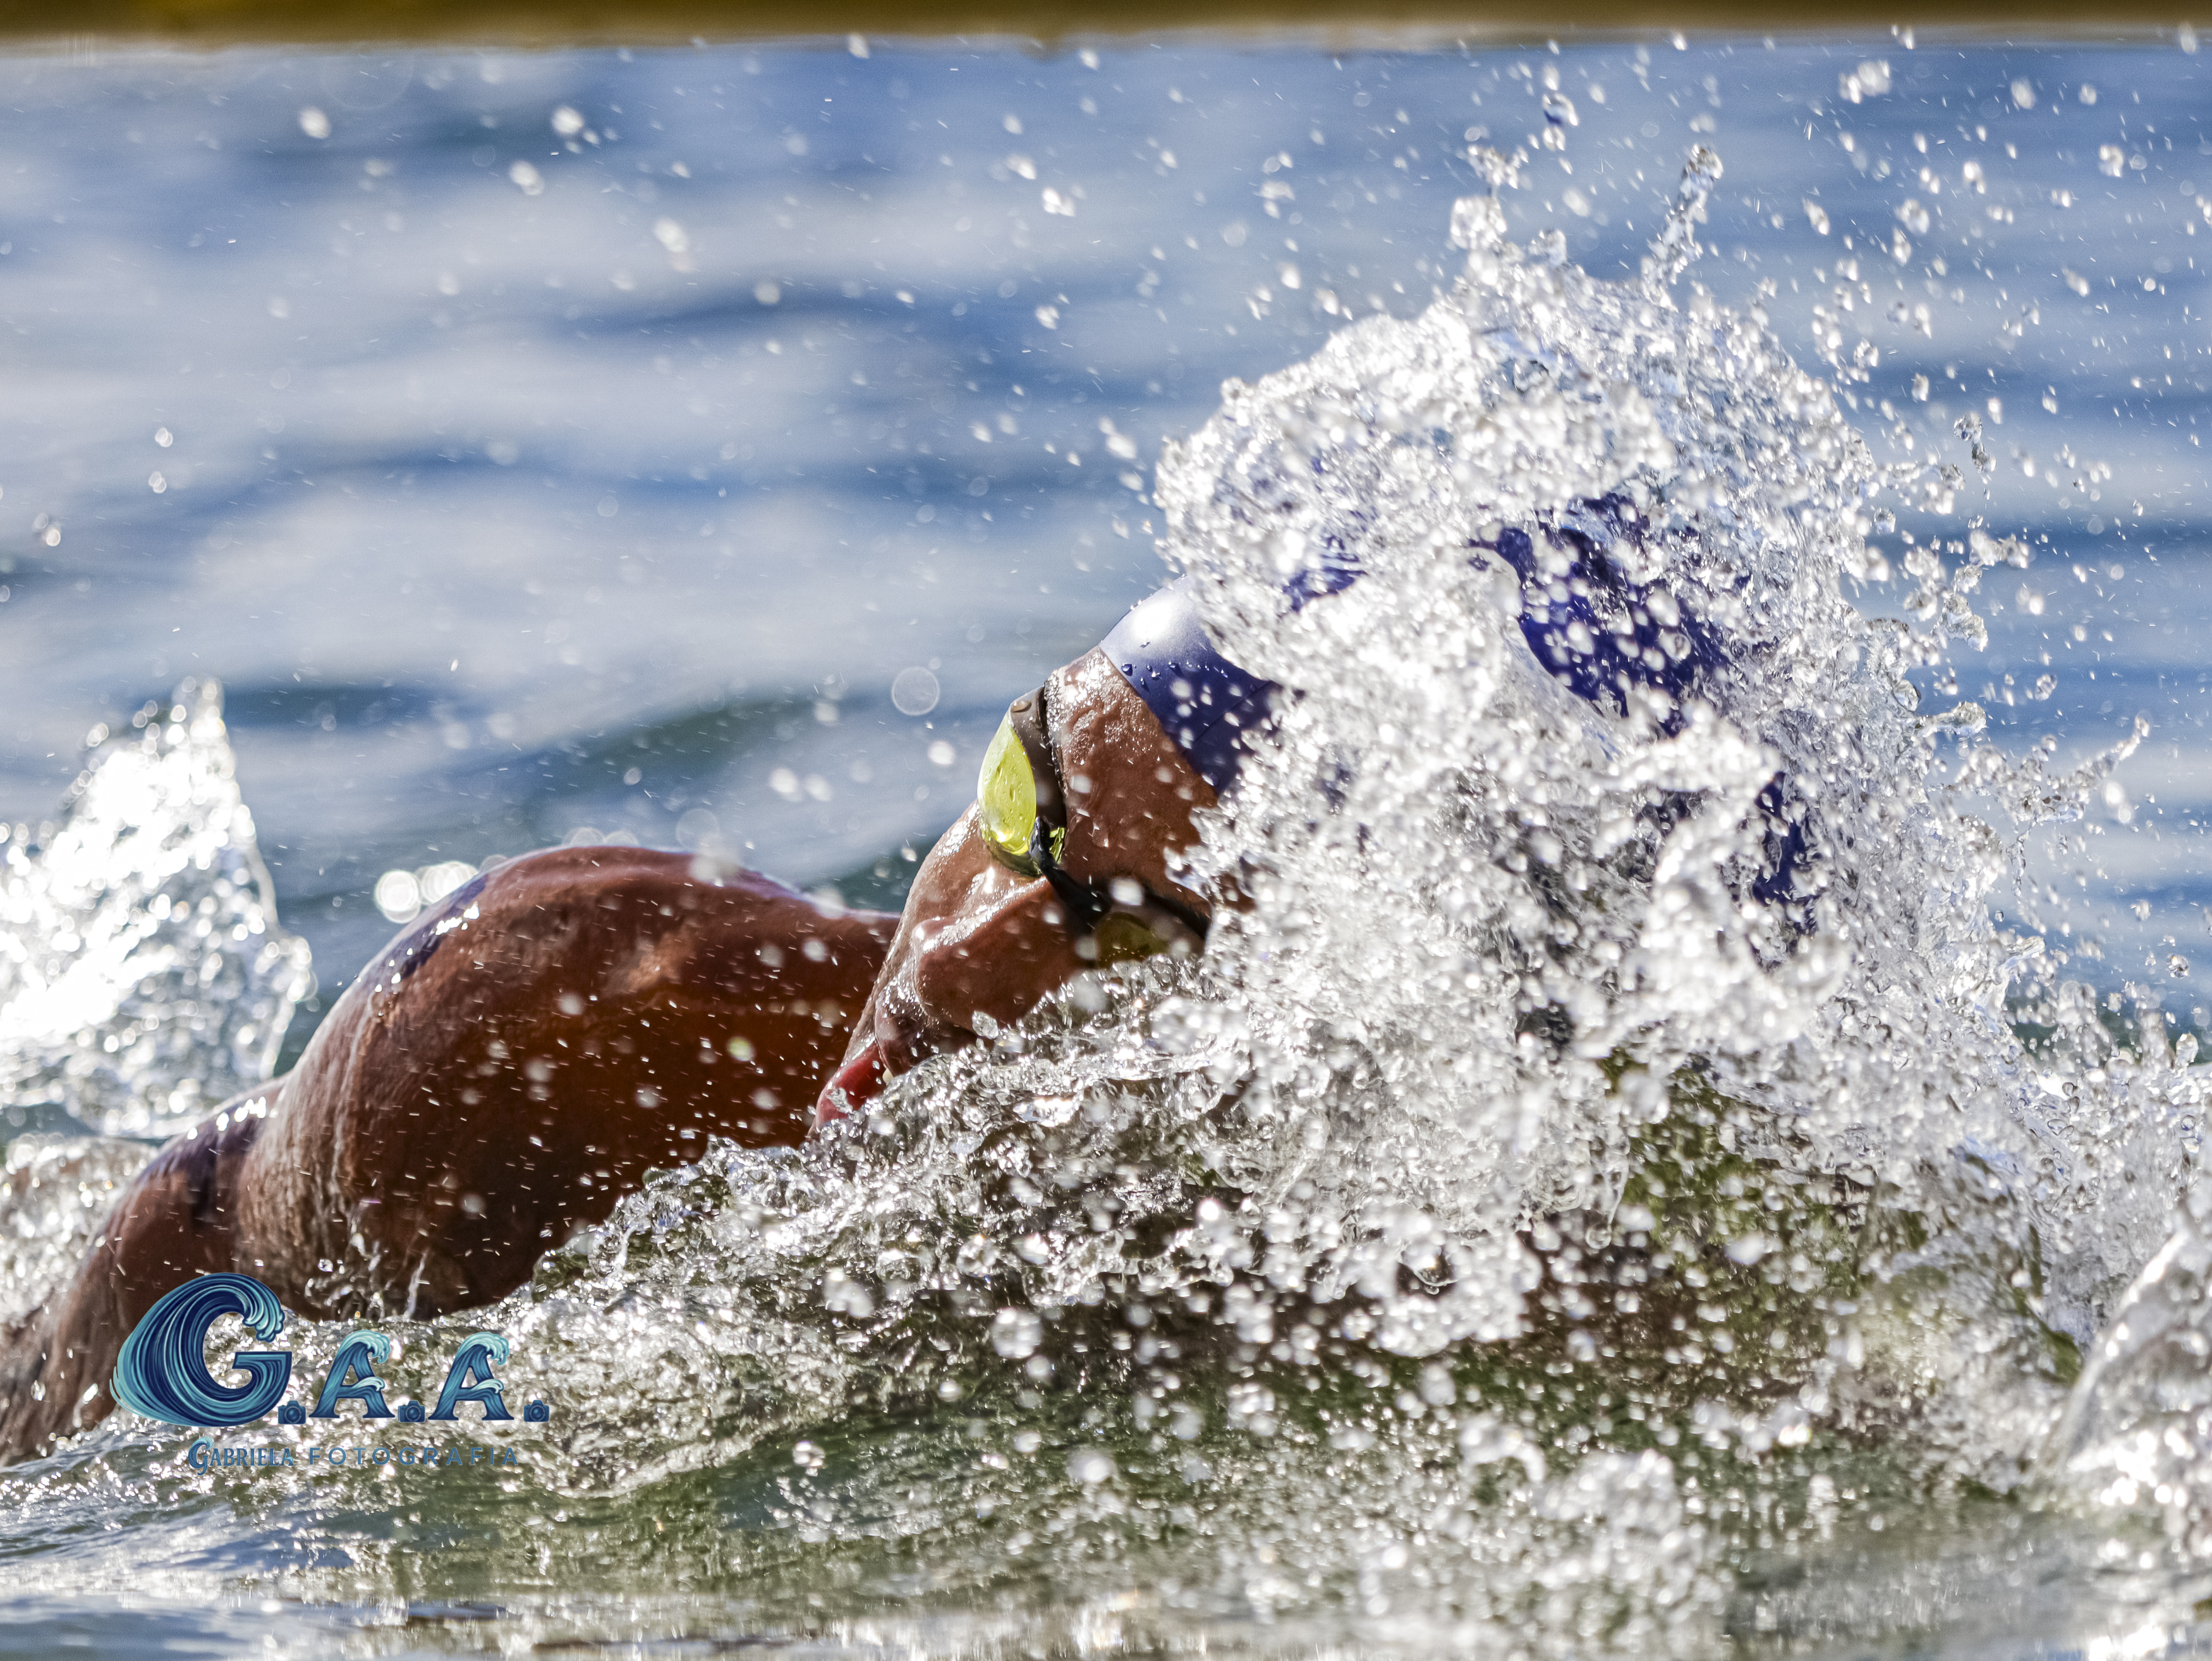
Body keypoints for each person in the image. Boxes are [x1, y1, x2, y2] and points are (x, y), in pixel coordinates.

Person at [0, 494, 1799, 1463]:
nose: (965, 940)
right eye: (1020, 790)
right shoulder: (554, 1038)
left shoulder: (1517, 1254)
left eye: (1117, 921)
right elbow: (156, 1299)